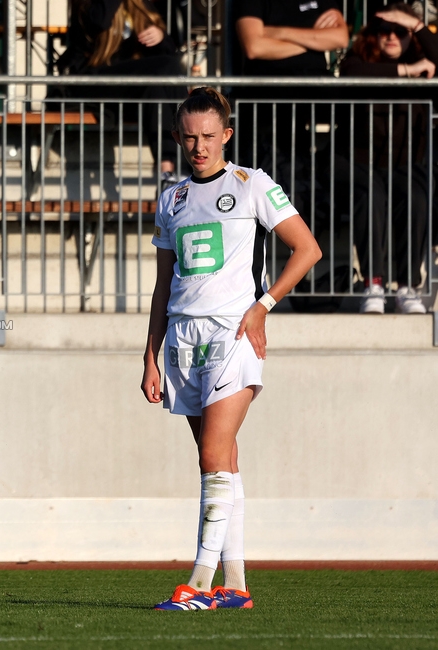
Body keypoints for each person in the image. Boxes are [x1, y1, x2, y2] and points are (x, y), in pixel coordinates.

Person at [141, 88, 321, 610]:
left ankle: (198, 583)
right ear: (178, 136)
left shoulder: (252, 185)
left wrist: (263, 305)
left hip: (233, 335)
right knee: (223, 461)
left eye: (208, 137)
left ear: (227, 135)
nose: (199, 147)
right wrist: (150, 354)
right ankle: (236, 586)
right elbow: (162, 284)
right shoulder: (171, 199)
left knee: (212, 455)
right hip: (182, 339)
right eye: (189, 137)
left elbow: (307, 249)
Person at [338, 3, 433, 314]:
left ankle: (407, 287)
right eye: (384, 31)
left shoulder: (426, 65)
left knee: (417, 197)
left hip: (405, 165)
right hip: (359, 162)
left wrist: (418, 26)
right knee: (371, 197)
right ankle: (373, 284)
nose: (391, 36)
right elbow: (351, 71)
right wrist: (407, 71)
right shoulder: (360, 61)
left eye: (400, 31)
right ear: (373, 35)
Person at [232, 0, 350, 233]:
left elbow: (340, 37)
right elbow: (254, 46)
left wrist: (279, 33)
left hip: (317, 96)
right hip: (270, 100)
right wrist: (315, 40)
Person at [53, 0, 184, 190]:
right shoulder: (87, 5)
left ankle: (167, 174)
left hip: (130, 88)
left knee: (156, 91)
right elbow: (99, 21)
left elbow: (168, 53)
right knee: (168, 67)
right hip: (93, 81)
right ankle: (190, 156)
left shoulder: (139, 4)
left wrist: (160, 37)